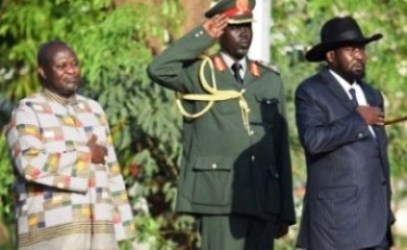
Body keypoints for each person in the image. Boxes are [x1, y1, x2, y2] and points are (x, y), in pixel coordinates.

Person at [147, 0, 295, 249]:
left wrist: (285, 210)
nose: (245, 33)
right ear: (220, 32)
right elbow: (158, 69)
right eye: (236, 27)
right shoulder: (199, 74)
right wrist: (202, 36)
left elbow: (281, 148)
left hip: (264, 199)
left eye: (248, 26)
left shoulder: (269, 79)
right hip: (220, 196)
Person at [6, 41, 135, 250]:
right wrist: (85, 155)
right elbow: (30, 164)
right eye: (62, 66)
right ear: (43, 72)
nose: (71, 71)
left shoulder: (93, 109)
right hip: (53, 231)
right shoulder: (27, 111)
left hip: (99, 227)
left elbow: (111, 168)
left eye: (74, 64)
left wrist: (121, 224)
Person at [295, 16, 394, 250]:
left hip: (376, 224)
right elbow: (313, 140)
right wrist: (358, 120)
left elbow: (379, 155)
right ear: (331, 56)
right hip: (336, 227)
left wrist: (386, 211)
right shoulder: (311, 91)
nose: (359, 55)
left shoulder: (372, 94)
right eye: (351, 49)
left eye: (361, 49)